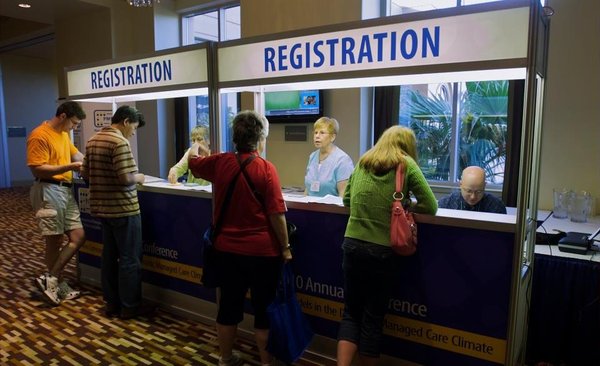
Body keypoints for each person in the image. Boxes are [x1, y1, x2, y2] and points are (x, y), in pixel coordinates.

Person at [188, 110, 292, 366]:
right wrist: (286, 248)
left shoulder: (220, 162)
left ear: (234, 137)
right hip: (263, 254)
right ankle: (266, 363)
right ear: (260, 139)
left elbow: (192, 162)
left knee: (228, 308)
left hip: (226, 251)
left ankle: (225, 358)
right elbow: (277, 214)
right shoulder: (266, 169)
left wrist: (196, 145)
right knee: (263, 310)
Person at [337, 126, 437, 366]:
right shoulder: (406, 164)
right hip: (381, 251)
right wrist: (406, 205)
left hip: (351, 244)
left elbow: (347, 200)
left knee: (351, 313)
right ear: (407, 145)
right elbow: (431, 205)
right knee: (372, 317)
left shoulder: (363, 162)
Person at [80, 105, 150, 320]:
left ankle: (112, 303)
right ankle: (130, 306)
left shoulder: (92, 140)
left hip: (102, 209)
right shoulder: (120, 142)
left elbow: (85, 173)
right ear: (126, 121)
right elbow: (126, 178)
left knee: (109, 257)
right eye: (134, 128)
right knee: (130, 259)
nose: (133, 133)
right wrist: (140, 177)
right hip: (124, 209)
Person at [27, 101, 87, 306]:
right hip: (47, 190)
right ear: (62, 116)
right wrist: (70, 165)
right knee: (54, 240)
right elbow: (37, 169)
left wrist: (89, 162)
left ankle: (50, 278)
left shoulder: (63, 135)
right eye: (74, 123)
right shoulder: (40, 135)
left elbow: (77, 155)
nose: (75, 127)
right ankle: (56, 283)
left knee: (78, 236)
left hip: (64, 190)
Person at [304, 116, 354, 197]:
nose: (317, 136)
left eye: (322, 133)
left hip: (331, 209)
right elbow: (307, 189)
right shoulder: (312, 156)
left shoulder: (343, 160)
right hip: (310, 207)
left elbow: (343, 195)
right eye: (315, 132)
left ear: (332, 137)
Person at [437, 165, 507, 214]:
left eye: (478, 192)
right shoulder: (446, 204)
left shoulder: (496, 206)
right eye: (468, 191)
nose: (473, 197)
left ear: (484, 186)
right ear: (460, 185)